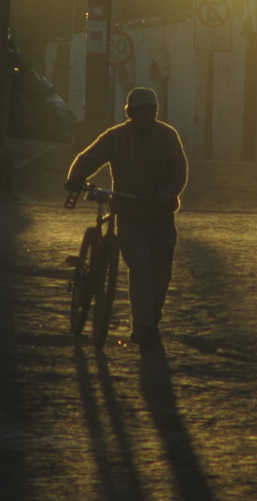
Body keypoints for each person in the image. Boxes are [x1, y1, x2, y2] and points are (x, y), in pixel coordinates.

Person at [64, 87, 188, 348]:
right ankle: (142, 327)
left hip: (162, 218)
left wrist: (167, 192)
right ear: (130, 113)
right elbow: (89, 157)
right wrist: (75, 178)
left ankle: (150, 320)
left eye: (150, 110)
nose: (145, 115)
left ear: (155, 112)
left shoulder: (168, 137)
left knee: (161, 276)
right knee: (141, 270)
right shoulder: (116, 138)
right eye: (139, 111)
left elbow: (180, 171)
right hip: (130, 218)